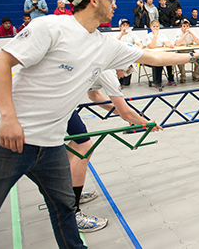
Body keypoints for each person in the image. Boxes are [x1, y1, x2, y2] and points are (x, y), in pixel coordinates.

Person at [0, 0, 199, 249]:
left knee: (65, 208)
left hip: (52, 145)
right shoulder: (50, 28)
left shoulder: (103, 45)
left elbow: (152, 56)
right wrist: (7, 117)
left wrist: (192, 55)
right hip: (7, 139)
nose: (114, 5)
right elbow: (0, 63)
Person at [67, 69, 163, 232]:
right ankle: (71, 213)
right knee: (83, 146)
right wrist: (144, 123)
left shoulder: (102, 65)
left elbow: (95, 96)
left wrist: (133, 117)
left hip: (59, 100)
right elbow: (125, 111)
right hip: (59, 102)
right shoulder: (108, 72)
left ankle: (69, 195)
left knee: (76, 145)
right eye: (126, 70)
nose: (125, 75)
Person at [145, 20, 176, 88]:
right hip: (152, 55)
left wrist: (170, 45)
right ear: (151, 27)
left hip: (161, 53)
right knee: (158, 63)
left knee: (170, 61)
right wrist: (155, 35)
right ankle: (157, 81)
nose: (156, 28)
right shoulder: (149, 36)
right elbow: (151, 46)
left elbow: (166, 43)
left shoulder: (162, 35)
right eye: (154, 26)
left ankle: (171, 79)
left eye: (157, 26)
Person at [116, 18, 144, 86]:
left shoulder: (132, 35)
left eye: (126, 25)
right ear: (120, 26)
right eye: (123, 25)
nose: (125, 27)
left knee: (127, 83)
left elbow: (140, 45)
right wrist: (122, 34)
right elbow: (114, 43)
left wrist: (136, 51)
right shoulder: (117, 35)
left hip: (129, 58)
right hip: (120, 58)